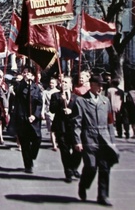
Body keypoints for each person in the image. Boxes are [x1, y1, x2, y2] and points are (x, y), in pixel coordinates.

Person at [73, 75, 119, 206]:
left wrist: (112, 141)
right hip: (89, 137)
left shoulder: (105, 101)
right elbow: (77, 123)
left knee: (105, 168)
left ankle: (103, 196)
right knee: (91, 166)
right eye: (98, 85)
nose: (101, 88)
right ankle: (83, 184)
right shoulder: (81, 101)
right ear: (91, 84)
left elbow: (110, 122)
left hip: (104, 138)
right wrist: (77, 141)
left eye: (102, 85)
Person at [9, 66, 43, 173]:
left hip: (34, 119)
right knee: (25, 142)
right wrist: (24, 81)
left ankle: (33, 155)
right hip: (22, 118)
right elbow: (17, 91)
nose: (26, 74)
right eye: (24, 72)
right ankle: (28, 165)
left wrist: (35, 115)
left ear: (32, 76)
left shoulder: (36, 88)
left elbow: (39, 103)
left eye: (28, 73)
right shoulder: (19, 86)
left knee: (37, 138)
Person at [50, 76, 82, 183]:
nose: (63, 83)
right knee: (65, 151)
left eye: (66, 82)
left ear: (70, 84)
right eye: (62, 81)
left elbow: (79, 113)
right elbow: (52, 109)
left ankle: (73, 167)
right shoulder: (56, 95)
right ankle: (68, 172)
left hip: (73, 128)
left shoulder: (76, 97)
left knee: (78, 150)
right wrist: (61, 100)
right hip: (61, 126)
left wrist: (71, 112)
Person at [42, 77, 59, 151]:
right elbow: (43, 103)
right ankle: (54, 144)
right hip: (49, 111)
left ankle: (57, 141)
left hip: (57, 111)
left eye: (53, 83)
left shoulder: (59, 92)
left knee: (57, 128)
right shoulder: (45, 92)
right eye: (50, 83)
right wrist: (42, 112)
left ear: (56, 84)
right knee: (52, 128)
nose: (51, 84)